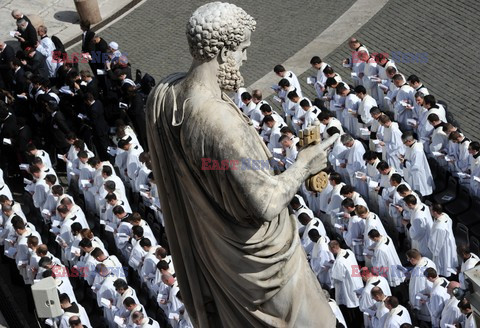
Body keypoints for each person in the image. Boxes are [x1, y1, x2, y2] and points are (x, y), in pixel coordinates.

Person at [145, 3, 337, 326]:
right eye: (243, 49)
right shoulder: (220, 122)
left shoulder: (166, 96)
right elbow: (266, 201)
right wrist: (305, 163)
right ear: (222, 52)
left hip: (218, 254)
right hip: (262, 267)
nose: (245, 58)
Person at [329, 240, 363, 327]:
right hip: (357, 282)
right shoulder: (349, 252)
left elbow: (337, 277)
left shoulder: (339, 261)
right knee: (359, 305)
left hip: (349, 287)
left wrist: (332, 268)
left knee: (351, 309)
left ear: (333, 249)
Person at [405, 249, 436, 323]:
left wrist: (414, 303)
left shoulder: (417, 273)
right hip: (432, 291)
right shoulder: (428, 260)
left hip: (424, 298)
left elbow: (416, 289)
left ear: (412, 259)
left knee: (426, 317)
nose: (409, 261)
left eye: (409, 259)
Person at [400, 132, 434, 197]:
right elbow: (410, 157)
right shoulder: (411, 146)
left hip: (418, 175)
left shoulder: (417, 150)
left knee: (420, 191)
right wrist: (404, 156)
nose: (404, 144)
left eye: (404, 143)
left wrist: (404, 162)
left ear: (409, 141)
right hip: (411, 173)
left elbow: (416, 167)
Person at [428, 204, 457, 278]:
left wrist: (432, 248)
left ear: (435, 212)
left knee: (444, 262)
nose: (429, 212)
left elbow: (437, 244)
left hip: (443, 248)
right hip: (448, 242)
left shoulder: (439, 227)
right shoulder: (445, 215)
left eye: (431, 210)